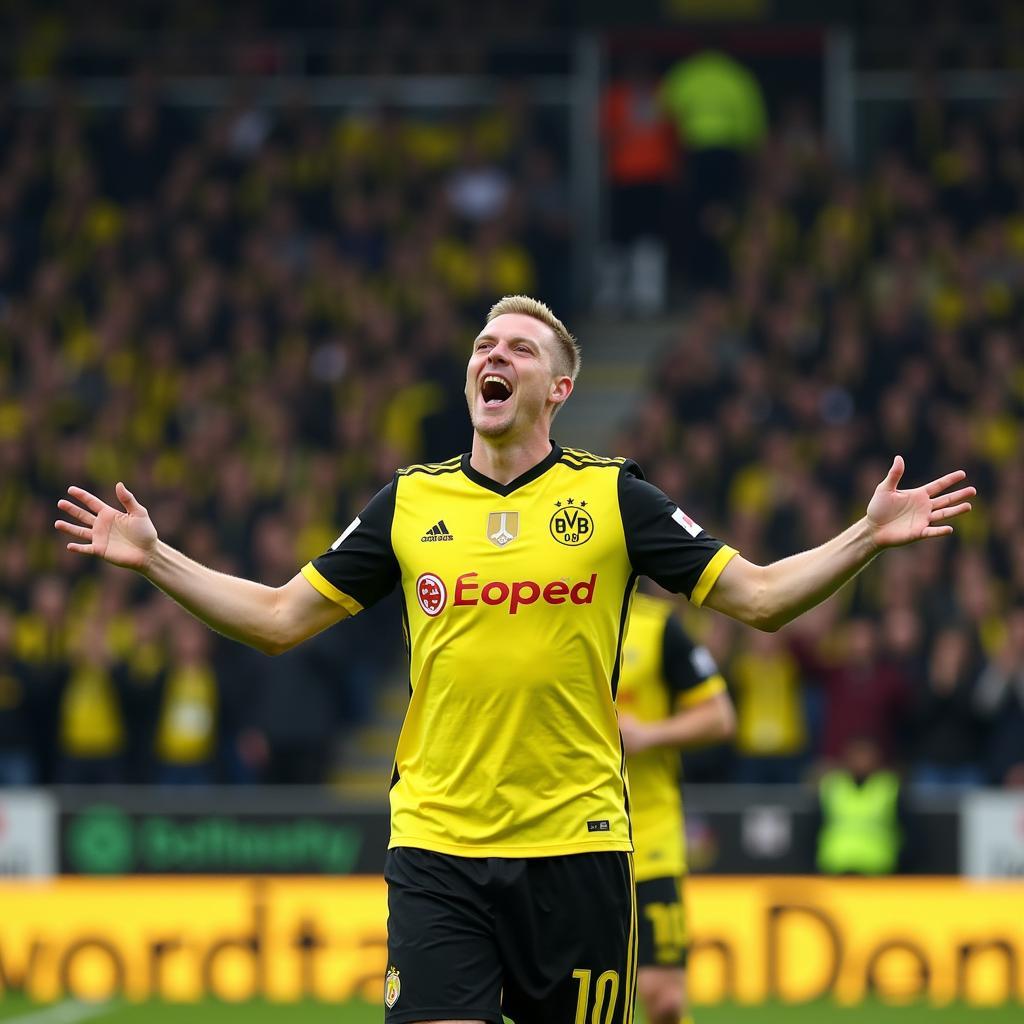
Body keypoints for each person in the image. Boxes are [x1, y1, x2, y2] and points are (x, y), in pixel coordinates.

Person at [56, 294, 974, 1023]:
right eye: (483, 345)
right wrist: (155, 558)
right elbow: (276, 618)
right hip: (437, 845)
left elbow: (765, 599)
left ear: (561, 389)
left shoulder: (615, 498)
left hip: (576, 850)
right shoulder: (408, 504)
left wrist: (863, 536)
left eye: (519, 349)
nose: (493, 356)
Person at [616, 591, 735, 1024]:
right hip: (570, 831)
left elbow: (720, 717)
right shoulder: (556, 618)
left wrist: (648, 734)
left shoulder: (658, 627)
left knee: (662, 998)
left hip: (649, 833)